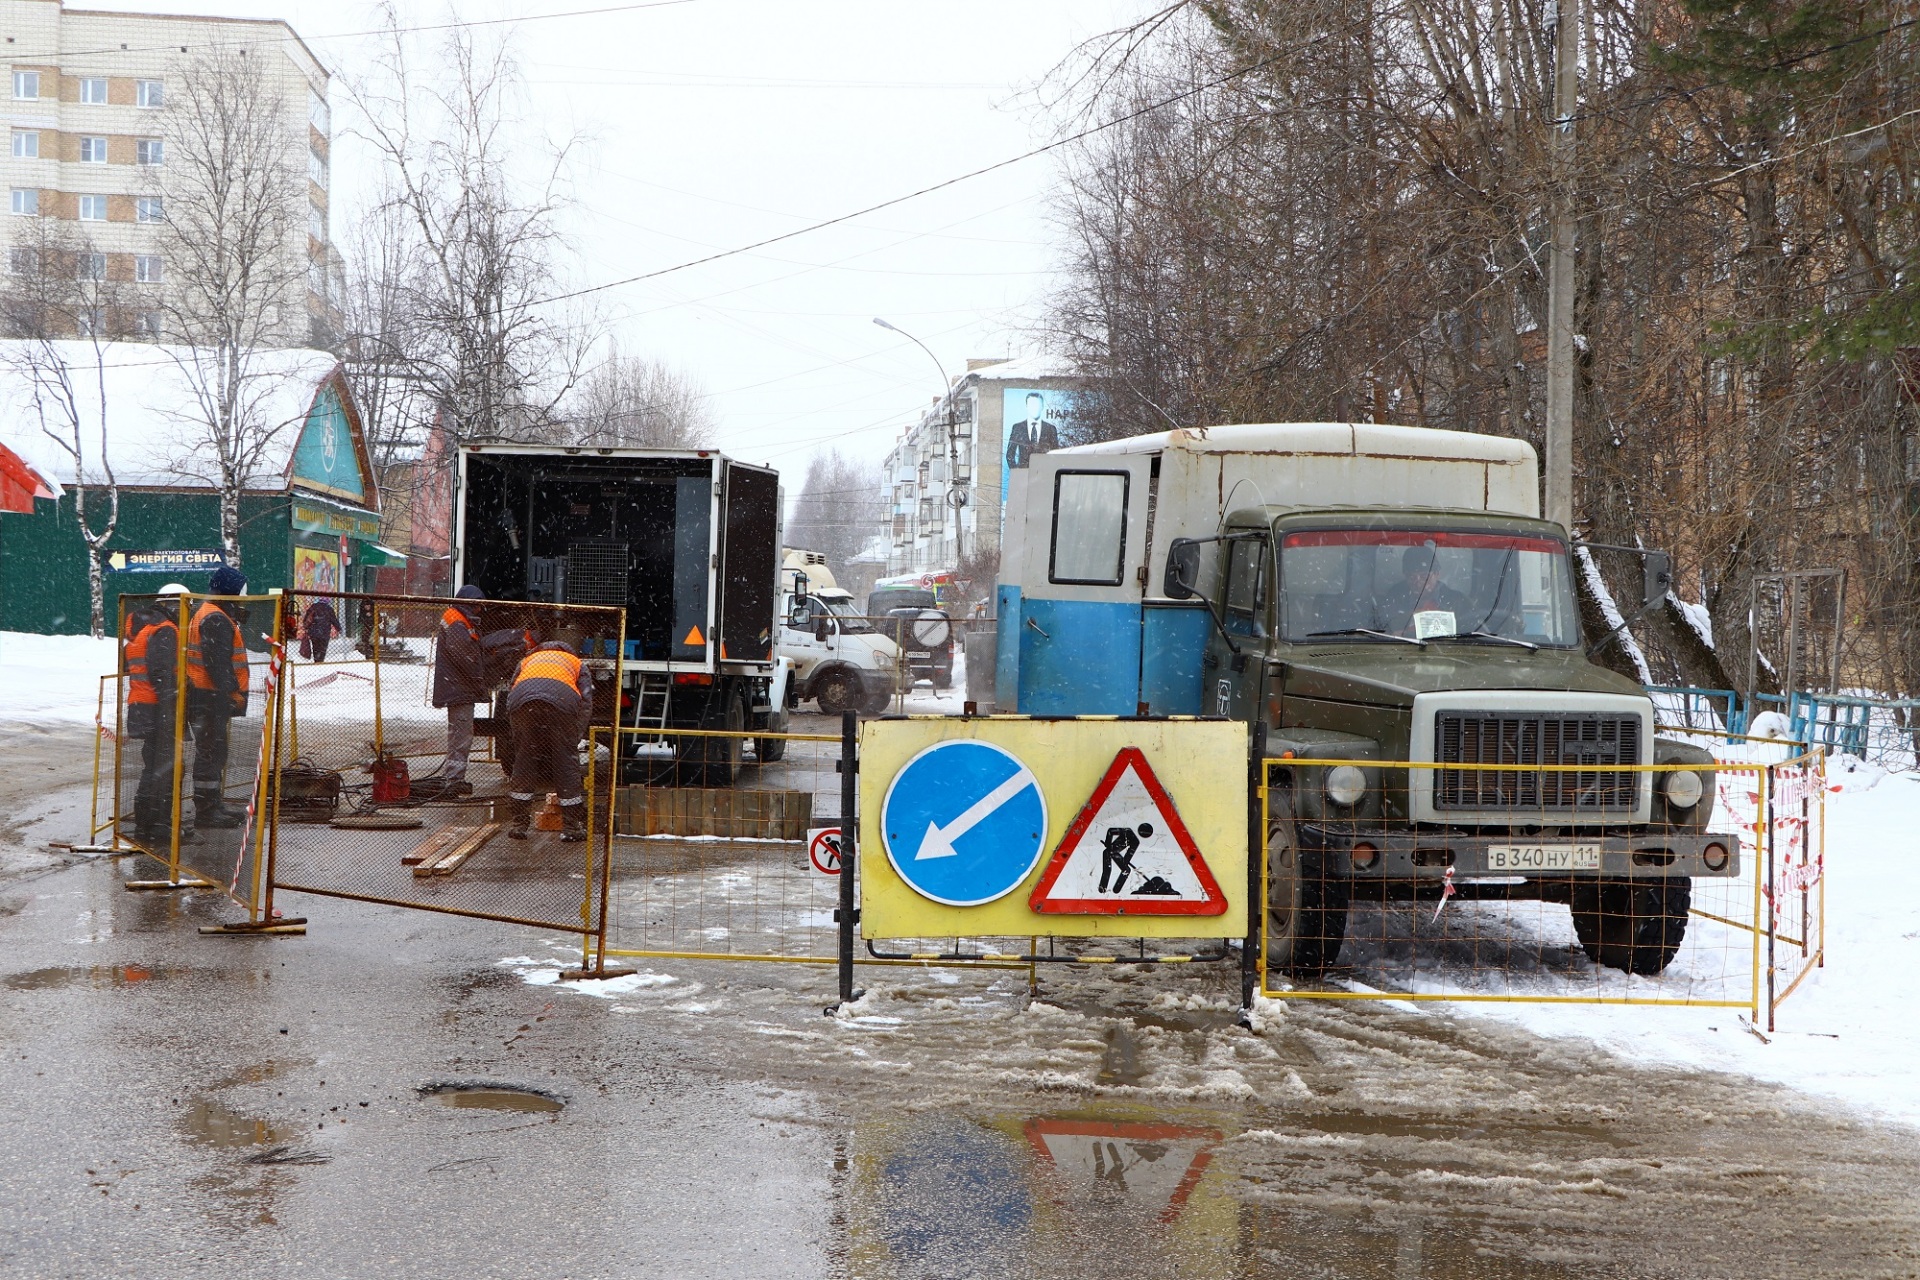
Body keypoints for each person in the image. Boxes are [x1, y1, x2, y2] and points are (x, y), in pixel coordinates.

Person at [503, 637, 594, 842]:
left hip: (523, 702)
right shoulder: (577, 663)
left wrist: (519, 732)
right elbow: (586, 702)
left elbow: (512, 692)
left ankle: (519, 824)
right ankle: (571, 827)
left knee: (524, 760)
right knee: (565, 763)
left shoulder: (527, 661)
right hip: (561, 703)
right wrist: (573, 736)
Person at [185, 565, 251, 829]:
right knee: (211, 753)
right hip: (209, 697)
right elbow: (218, 663)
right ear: (229, 591)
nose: (244, 597)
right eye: (241, 592)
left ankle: (213, 804)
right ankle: (207, 810)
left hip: (206, 695)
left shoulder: (210, 613)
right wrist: (231, 691)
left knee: (213, 752)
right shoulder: (215, 617)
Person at [126, 584, 189, 846]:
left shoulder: (148, 627)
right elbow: (162, 674)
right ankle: (158, 827)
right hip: (157, 710)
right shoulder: (165, 630)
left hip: (144, 707)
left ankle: (148, 826)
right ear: (174, 605)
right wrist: (170, 711)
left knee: (153, 768)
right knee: (164, 769)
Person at [425, 584, 491, 800]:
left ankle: (454, 778)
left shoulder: (458, 618)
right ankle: (454, 780)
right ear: (470, 603)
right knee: (461, 737)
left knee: (459, 735)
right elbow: (465, 654)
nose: (480, 610)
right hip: (459, 688)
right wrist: (478, 679)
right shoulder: (457, 621)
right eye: (478, 605)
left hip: (457, 687)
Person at [1375, 545, 1471, 637]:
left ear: (1437, 574)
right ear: (1405, 575)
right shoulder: (1394, 597)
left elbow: (1468, 633)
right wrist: (1409, 617)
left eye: (1424, 576)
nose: (1418, 582)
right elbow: (1382, 626)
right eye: (1412, 577)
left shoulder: (1457, 601)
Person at [1004, 391, 1059, 470]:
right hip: (1023, 477)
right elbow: (1010, 455)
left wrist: (1050, 472)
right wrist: (1017, 473)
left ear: (1042, 406)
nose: (1035, 408)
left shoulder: (1050, 429)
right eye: (1032, 405)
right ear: (1027, 406)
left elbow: (1056, 454)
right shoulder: (1017, 428)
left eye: (1037, 405)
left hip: (1044, 476)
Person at [300, 596, 340, 663]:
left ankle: (316, 660)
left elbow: (306, 619)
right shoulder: (329, 609)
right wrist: (339, 628)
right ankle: (321, 661)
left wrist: (307, 628)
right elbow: (334, 620)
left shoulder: (313, 607)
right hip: (325, 633)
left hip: (314, 632)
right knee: (323, 649)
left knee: (315, 647)